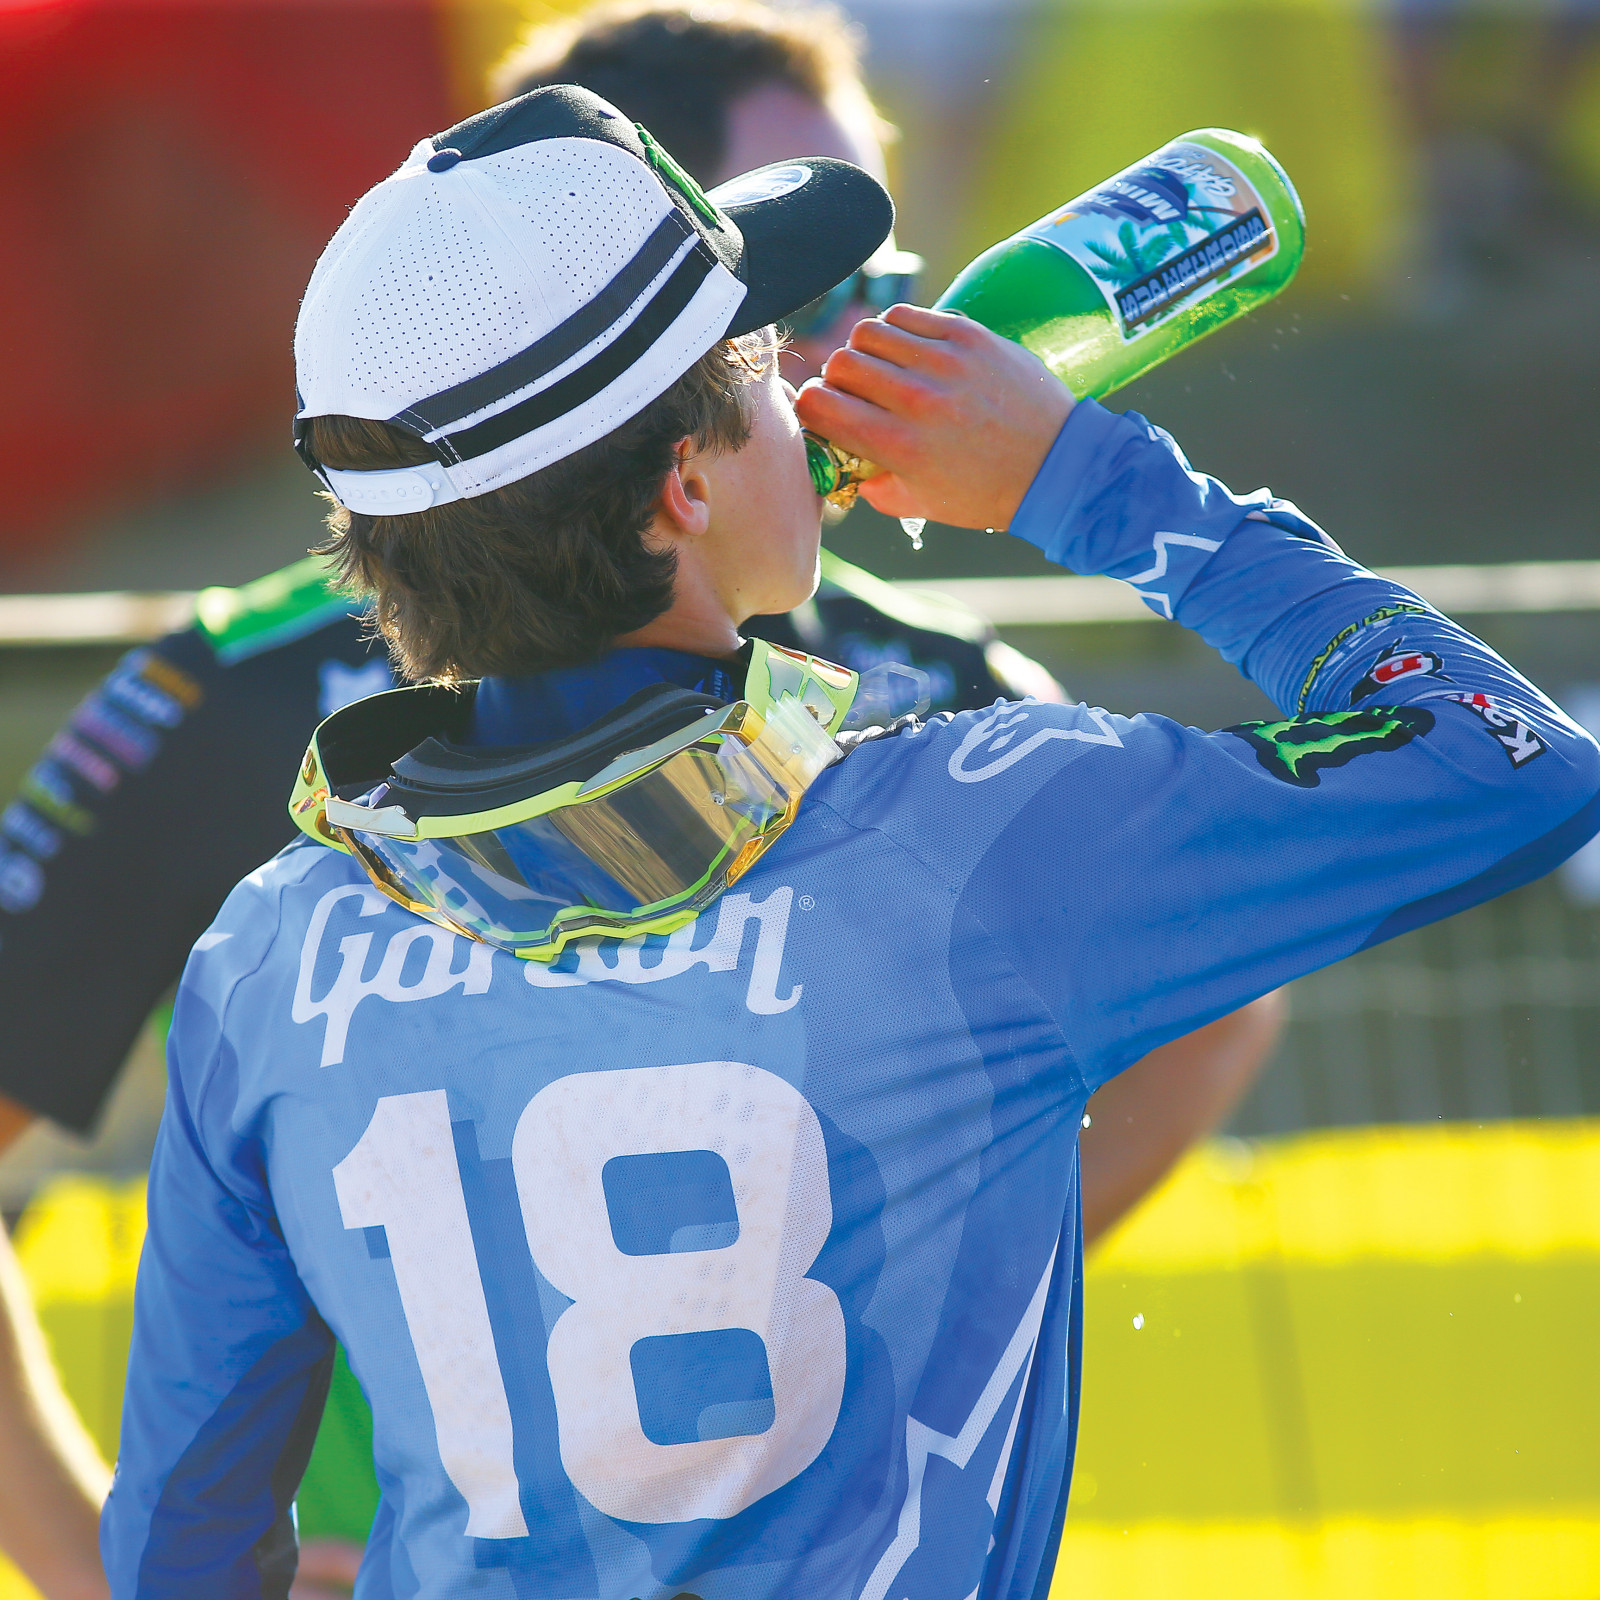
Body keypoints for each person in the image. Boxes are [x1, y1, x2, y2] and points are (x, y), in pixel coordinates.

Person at [100, 83, 1599, 1599]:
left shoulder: (268, 953)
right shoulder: (972, 831)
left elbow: (179, 1547)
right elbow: (1510, 764)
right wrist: (1083, 478)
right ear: (683, 486)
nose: (813, 381)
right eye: (763, 360)